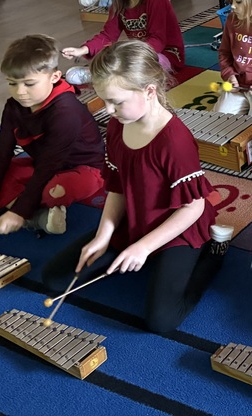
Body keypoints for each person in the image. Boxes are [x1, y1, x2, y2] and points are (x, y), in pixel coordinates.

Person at [43, 41, 229, 334]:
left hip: (177, 228)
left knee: (161, 322)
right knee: (54, 279)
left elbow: (193, 207)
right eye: (104, 100)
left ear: (149, 91)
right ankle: (133, 249)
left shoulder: (175, 142)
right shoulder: (117, 125)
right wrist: (103, 235)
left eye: (116, 102)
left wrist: (143, 247)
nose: (108, 110)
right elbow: (117, 186)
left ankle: (214, 253)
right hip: (135, 219)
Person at [0, 35, 105, 237]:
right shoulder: (14, 106)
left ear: (55, 77)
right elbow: (1, 153)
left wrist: (19, 211)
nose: (20, 92)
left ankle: (21, 209)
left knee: (54, 190)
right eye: (12, 83)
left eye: (29, 84)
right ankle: (37, 217)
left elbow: (50, 164)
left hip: (84, 170)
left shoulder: (66, 111)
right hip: (40, 165)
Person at [63, 0, 185, 82]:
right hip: (137, 52)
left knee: (134, 65)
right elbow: (108, 36)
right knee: (113, 54)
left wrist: (130, 55)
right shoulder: (118, 4)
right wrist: (83, 50)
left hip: (166, 54)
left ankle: (101, 75)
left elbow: (158, 40)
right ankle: (99, 73)